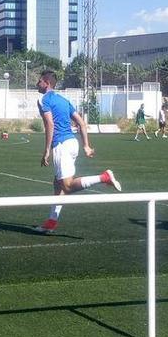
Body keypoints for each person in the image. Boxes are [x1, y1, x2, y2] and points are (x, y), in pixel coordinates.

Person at [35, 71, 122, 234]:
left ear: (46, 83)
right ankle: (51, 222)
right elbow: (82, 123)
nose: (37, 84)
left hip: (61, 145)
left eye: (39, 81)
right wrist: (86, 146)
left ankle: (104, 177)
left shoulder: (43, 99)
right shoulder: (64, 101)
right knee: (58, 184)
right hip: (73, 143)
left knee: (67, 186)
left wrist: (47, 150)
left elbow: (49, 125)